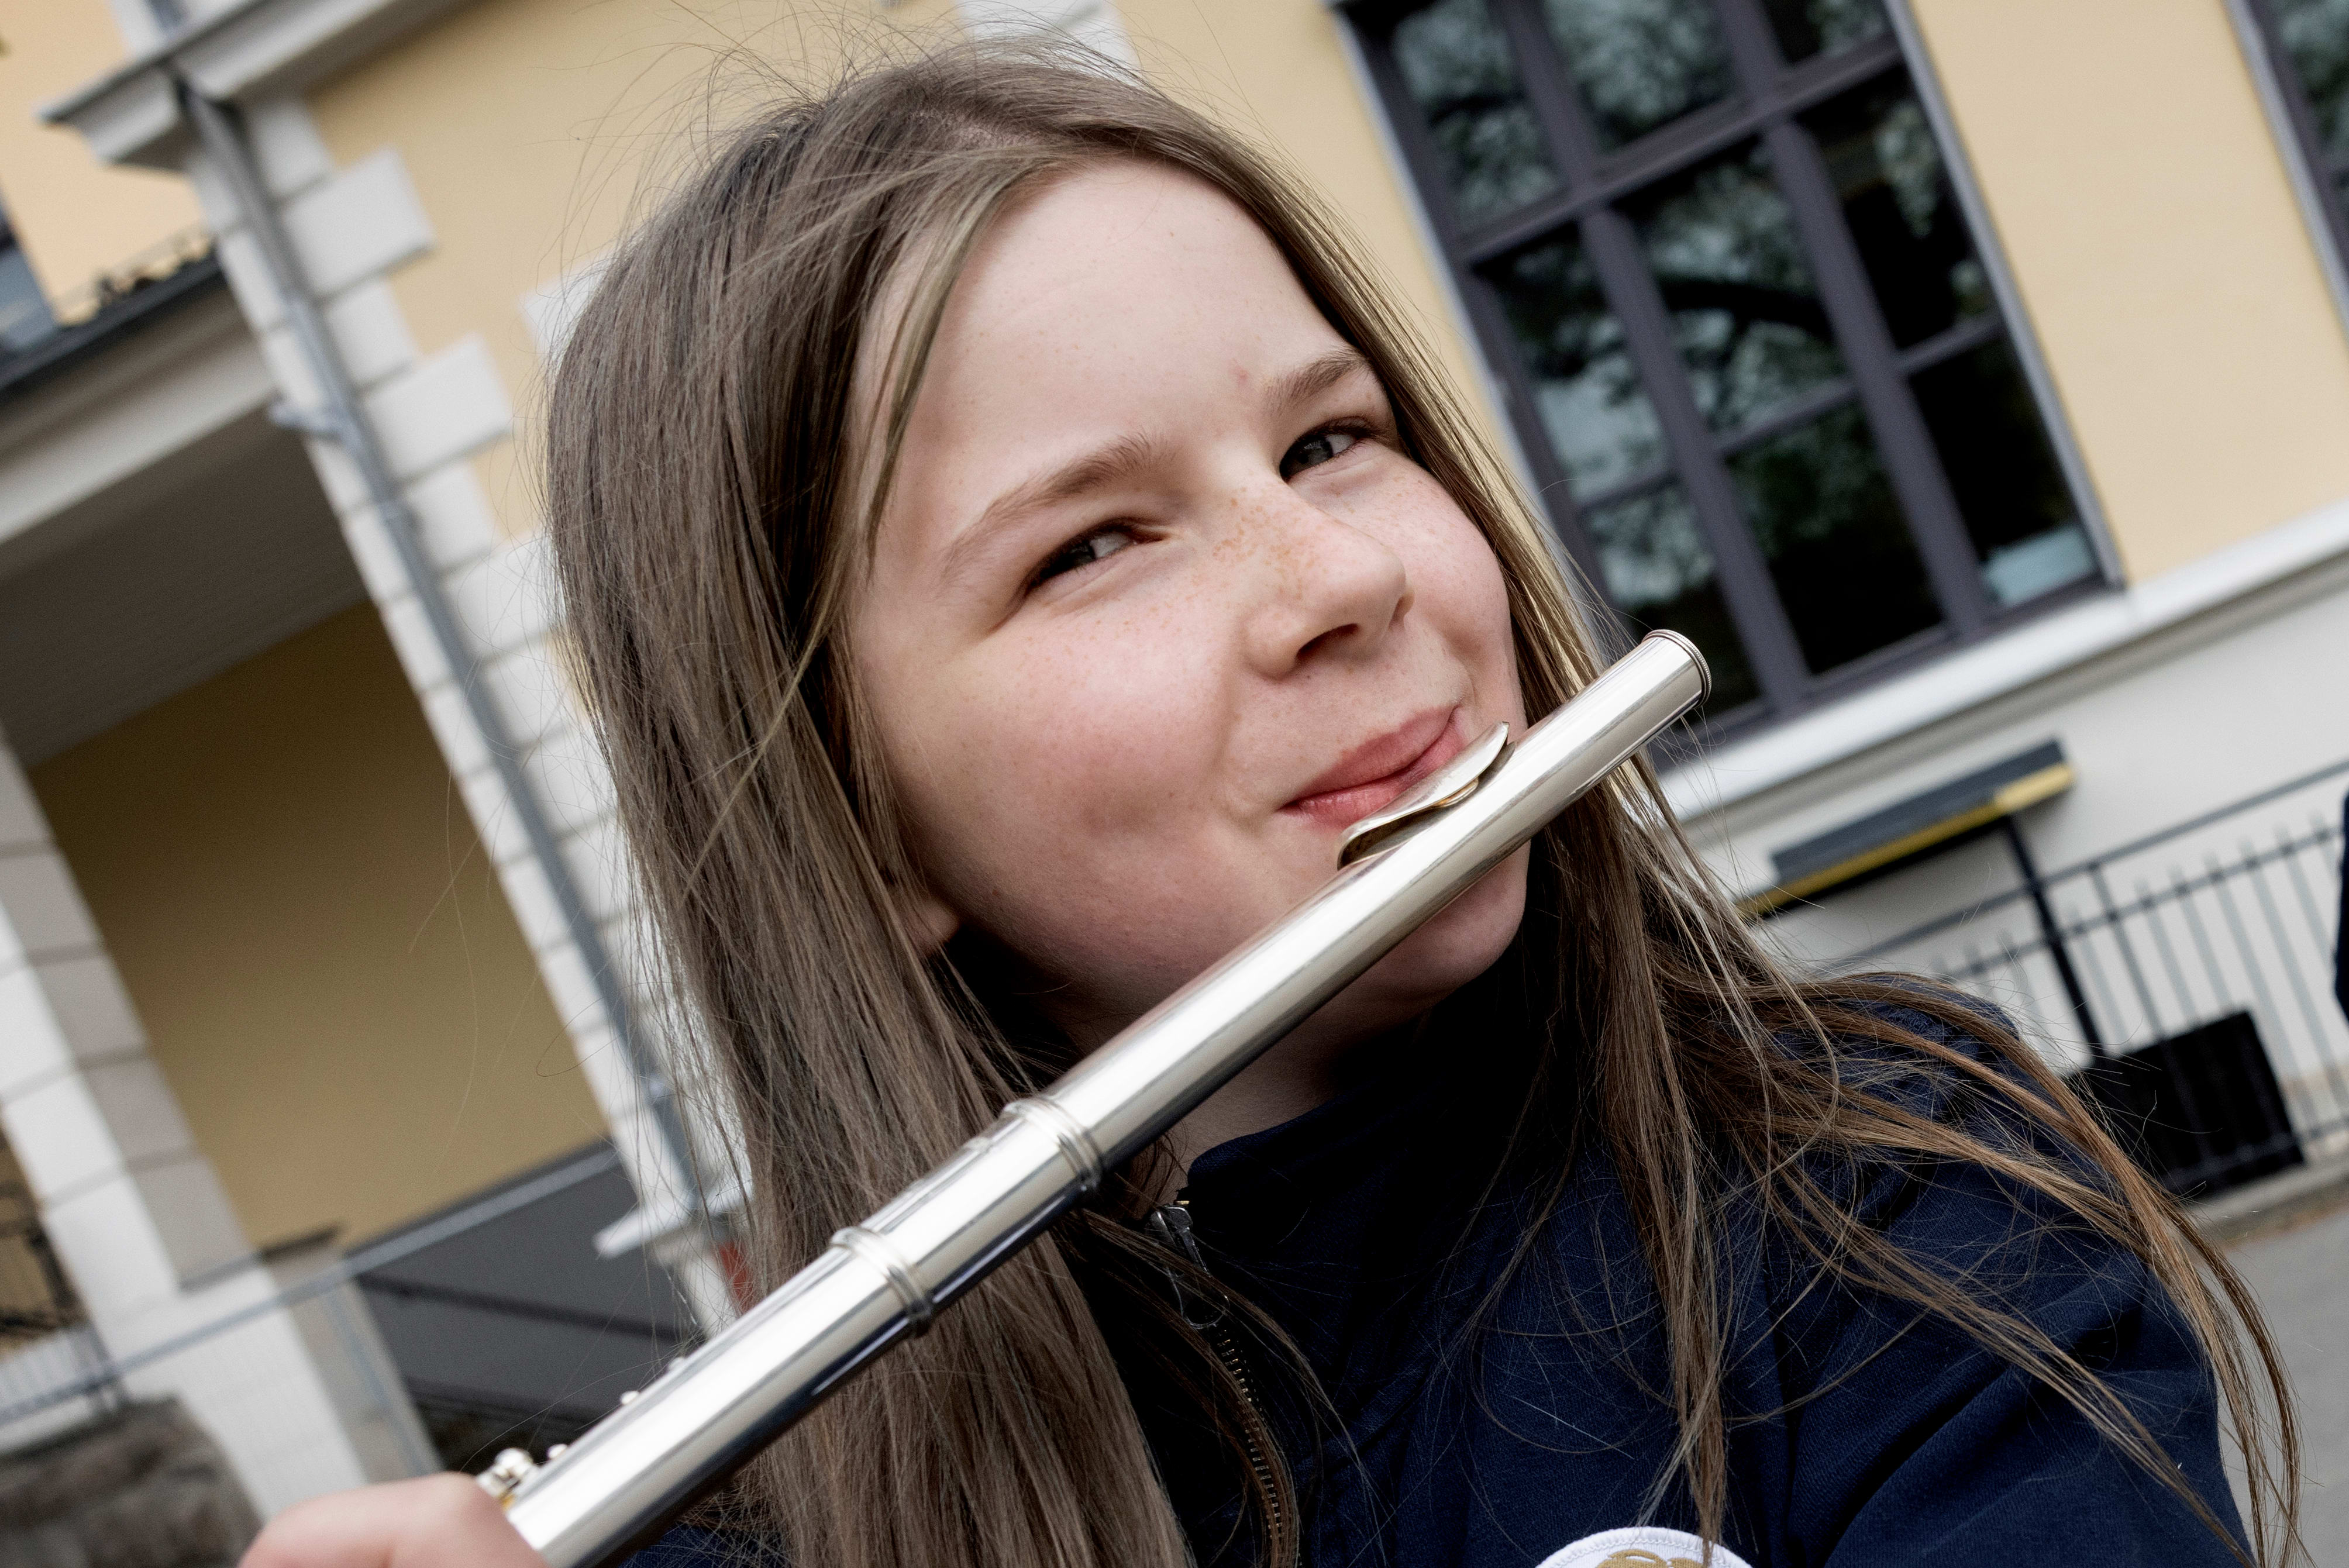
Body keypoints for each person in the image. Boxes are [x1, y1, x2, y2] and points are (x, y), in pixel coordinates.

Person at [243, 44, 2300, 1568]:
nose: (1343, 577)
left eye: (1332, 440)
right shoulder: (752, 1529)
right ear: (857, 833)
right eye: (1094, 543)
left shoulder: (1891, 1209)